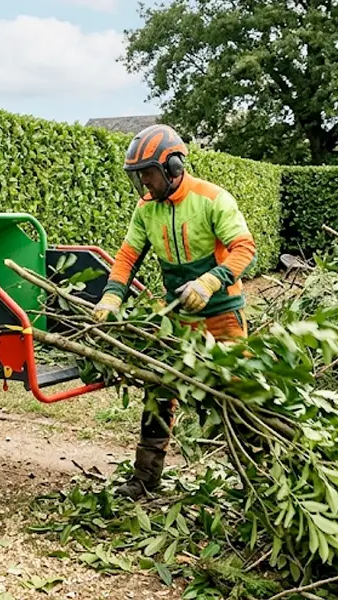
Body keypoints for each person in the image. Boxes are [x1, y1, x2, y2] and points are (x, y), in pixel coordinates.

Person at [93, 124, 257, 499]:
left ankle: (255, 475)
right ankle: (145, 478)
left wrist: (210, 282)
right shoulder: (146, 209)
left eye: (147, 173)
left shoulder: (212, 199)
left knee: (238, 389)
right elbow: (127, 256)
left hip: (222, 312)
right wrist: (111, 297)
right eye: (139, 176)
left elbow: (245, 248)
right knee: (160, 385)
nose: (144, 183)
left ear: (172, 166)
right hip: (179, 317)